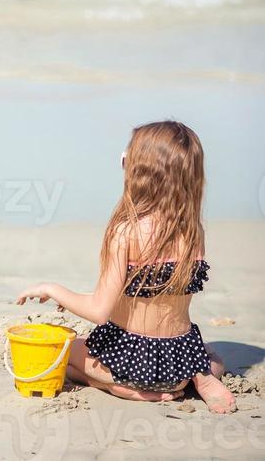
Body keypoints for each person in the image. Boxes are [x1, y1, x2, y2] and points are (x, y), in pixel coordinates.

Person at [16, 121, 236, 413]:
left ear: (139, 172)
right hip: (178, 368)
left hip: (130, 363)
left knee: (62, 354)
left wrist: (52, 289)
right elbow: (154, 290)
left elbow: (98, 310)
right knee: (212, 356)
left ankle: (117, 387)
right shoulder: (193, 231)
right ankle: (202, 378)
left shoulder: (126, 231)